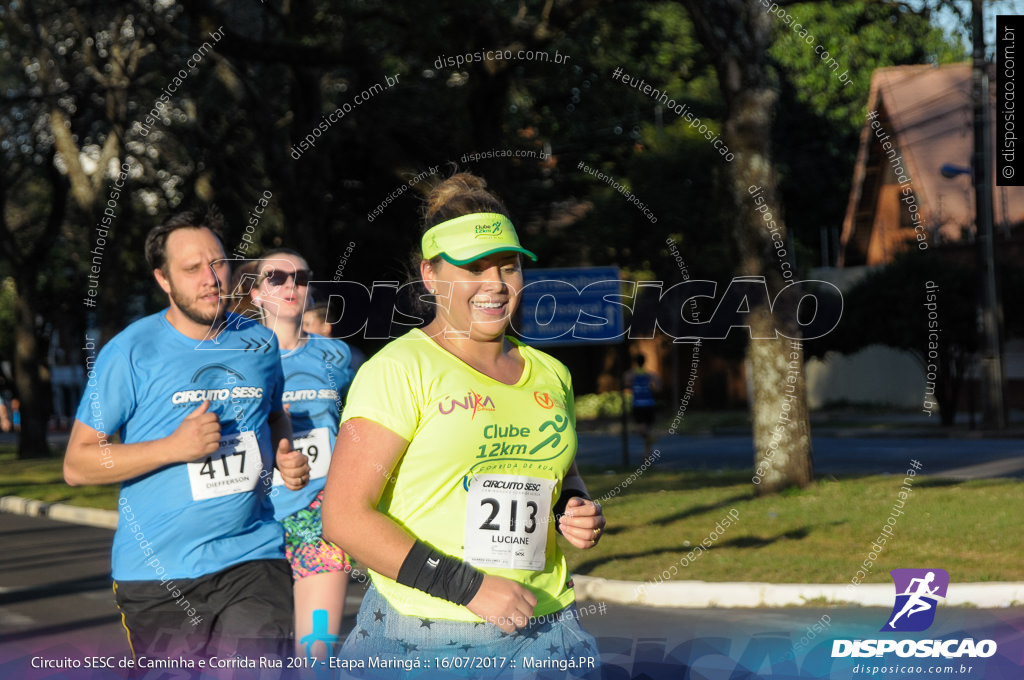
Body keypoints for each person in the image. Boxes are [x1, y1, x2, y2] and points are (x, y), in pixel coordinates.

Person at [322, 173, 604, 676]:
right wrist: (471, 587)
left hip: (549, 625)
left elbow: (554, 474)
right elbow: (344, 516)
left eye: (509, 266)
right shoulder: (399, 369)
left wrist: (574, 507)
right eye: (474, 268)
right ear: (431, 277)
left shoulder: (551, 373)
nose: (495, 284)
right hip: (429, 634)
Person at [63, 208, 310, 662]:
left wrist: (285, 457)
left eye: (218, 264)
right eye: (192, 269)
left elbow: (275, 416)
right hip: (159, 574)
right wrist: (173, 448)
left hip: (253, 556)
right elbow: (77, 464)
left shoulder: (260, 343)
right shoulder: (131, 352)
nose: (211, 278)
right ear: (163, 280)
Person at [246, 248, 355, 659]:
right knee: (257, 659)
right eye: (276, 277)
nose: (292, 285)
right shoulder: (236, 359)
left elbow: (355, 429)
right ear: (255, 294)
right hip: (255, 520)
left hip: (319, 517)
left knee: (317, 653)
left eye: (302, 278)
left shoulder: (337, 356)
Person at [624, 354, 661, 464]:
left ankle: (647, 455)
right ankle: (651, 438)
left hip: (645, 404)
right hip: (642, 404)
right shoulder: (639, 374)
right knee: (643, 430)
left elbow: (658, 386)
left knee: (644, 430)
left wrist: (649, 387)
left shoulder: (646, 374)